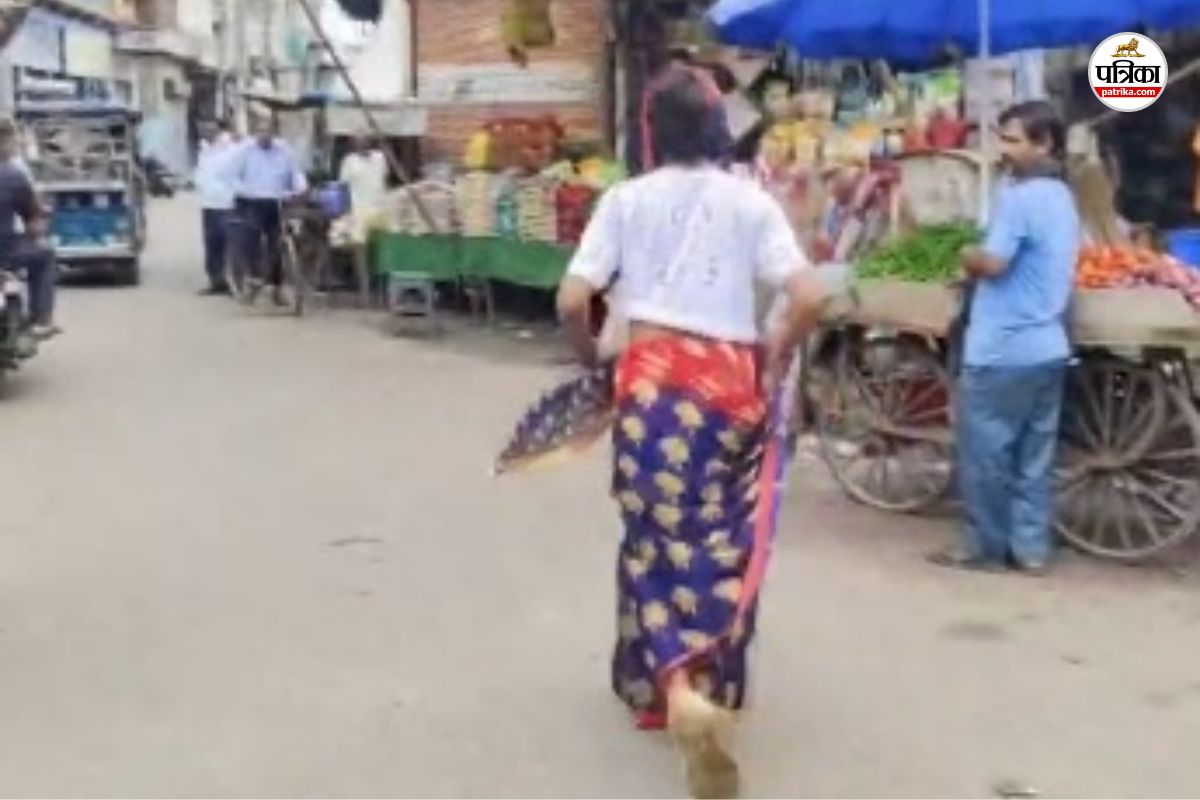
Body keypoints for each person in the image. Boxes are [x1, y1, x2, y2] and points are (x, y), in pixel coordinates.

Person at [555, 66, 825, 799]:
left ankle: (672, 692)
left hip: (649, 382)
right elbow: (807, 296)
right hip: (729, 383)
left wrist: (593, 364)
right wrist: (776, 352)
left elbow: (573, 298)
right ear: (715, 127)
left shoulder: (625, 200)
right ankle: (708, 683)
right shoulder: (751, 203)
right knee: (720, 535)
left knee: (652, 536)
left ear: (651, 131)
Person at [931, 100, 1079, 576]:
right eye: (1003, 137)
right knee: (1034, 456)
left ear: (1045, 144)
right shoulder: (1061, 197)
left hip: (1003, 349)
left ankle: (984, 547)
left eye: (1013, 140)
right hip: (1049, 348)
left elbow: (995, 263)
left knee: (986, 454)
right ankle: (1031, 549)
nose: (1003, 148)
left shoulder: (1020, 198)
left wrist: (968, 253)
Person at [229, 115, 307, 304]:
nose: (264, 135)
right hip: (252, 200)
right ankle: (254, 278)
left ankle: (278, 287)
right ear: (256, 133)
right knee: (250, 237)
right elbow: (233, 177)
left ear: (274, 133)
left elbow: (295, 173)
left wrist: (300, 188)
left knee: (279, 242)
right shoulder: (245, 150)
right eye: (261, 131)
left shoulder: (284, 150)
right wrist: (244, 190)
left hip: (277, 200)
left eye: (268, 131)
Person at [0, 116, 57, 339]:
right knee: (45, 255)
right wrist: (36, 231)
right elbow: (34, 217)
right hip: (6, 252)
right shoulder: (13, 175)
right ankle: (42, 318)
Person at [338, 133, 388, 305]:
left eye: (366, 141)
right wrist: (346, 213)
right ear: (354, 145)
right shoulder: (349, 161)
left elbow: (384, 179)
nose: (363, 145)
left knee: (381, 250)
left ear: (370, 143)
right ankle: (364, 292)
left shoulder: (380, 158)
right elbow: (343, 187)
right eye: (359, 142)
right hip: (358, 210)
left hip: (380, 209)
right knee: (360, 250)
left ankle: (381, 292)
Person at [194, 119, 238, 295]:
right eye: (203, 129)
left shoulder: (232, 149)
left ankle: (232, 282)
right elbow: (202, 171)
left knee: (229, 244)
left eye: (210, 129)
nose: (206, 131)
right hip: (208, 203)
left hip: (227, 203)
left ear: (218, 130)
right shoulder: (204, 149)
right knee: (212, 245)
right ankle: (216, 281)